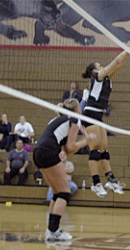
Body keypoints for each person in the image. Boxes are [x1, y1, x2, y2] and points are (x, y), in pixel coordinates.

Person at [33, 98, 95, 242]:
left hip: (38, 152)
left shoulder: (57, 119)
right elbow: (71, 147)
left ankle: (51, 230)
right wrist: (86, 141)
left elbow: (67, 150)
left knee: (57, 192)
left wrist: (70, 150)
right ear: (78, 110)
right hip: (48, 151)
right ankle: (54, 231)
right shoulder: (75, 119)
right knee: (64, 193)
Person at [81, 43, 130, 197]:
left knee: (103, 151)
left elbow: (119, 66)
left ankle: (111, 180)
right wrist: (129, 48)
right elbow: (116, 62)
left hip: (98, 116)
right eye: (98, 66)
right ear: (93, 71)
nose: (101, 68)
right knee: (94, 150)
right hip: (90, 114)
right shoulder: (98, 77)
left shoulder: (106, 78)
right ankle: (95, 183)